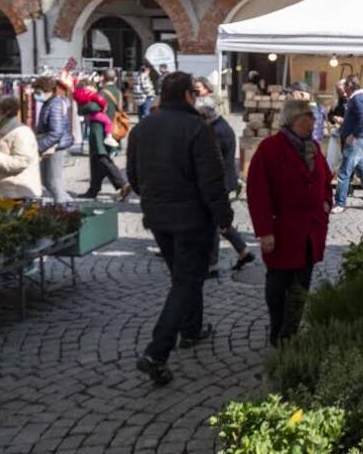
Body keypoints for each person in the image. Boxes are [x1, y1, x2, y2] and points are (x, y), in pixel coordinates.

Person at [127, 72, 234, 385]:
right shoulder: (197, 129)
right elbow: (211, 180)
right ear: (188, 95)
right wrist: (223, 218)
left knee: (184, 277)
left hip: (159, 218)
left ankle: (192, 329)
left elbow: (133, 176)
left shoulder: (143, 127)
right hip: (192, 219)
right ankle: (156, 352)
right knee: (186, 282)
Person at [247, 99, 332, 346]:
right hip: (282, 233)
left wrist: (326, 203)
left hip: (309, 232)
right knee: (278, 286)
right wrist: (264, 231)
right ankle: (277, 330)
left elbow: (325, 180)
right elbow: (258, 193)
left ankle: (290, 332)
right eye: (309, 116)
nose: (314, 121)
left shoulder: (313, 147)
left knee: (302, 285)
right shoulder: (270, 149)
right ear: (294, 119)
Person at [195, 95, 255, 274]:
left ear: (205, 113)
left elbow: (215, 161)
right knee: (219, 221)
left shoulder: (215, 131)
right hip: (223, 181)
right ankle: (243, 251)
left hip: (219, 183)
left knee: (213, 223)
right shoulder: (219, 126)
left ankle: (212, 263)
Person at [332, 76, 363, 213]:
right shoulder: (357, 98)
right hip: (359, 141)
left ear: (351, 85)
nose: (343, 89)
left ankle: (340, 203)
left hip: (356, 142)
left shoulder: (357, 99)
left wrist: (354, 135)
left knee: (344, 172)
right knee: (362, 171)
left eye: (345, 85)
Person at [76, 80, 129, 201]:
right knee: (96, 159)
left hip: (99, 130)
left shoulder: (102, 93)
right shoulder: (116, 91)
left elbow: (92, 107)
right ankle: (93, 189)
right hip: (110, 127)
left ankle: (122, 183)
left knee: (101, 157)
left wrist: (81, 107)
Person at [34, 75, 74, 203]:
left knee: (53, 182)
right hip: (51, 145)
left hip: (55, 147)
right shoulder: (50, 102)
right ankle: (67, 204)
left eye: (38, 92)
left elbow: (56, 132)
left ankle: (66, 207)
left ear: (47, 91)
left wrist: (39, 147)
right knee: (47, 181)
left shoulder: (55, 104)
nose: (36, 95)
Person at [72, 83, 118, 149]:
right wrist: (104, 105)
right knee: (108, 122)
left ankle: (85, 143)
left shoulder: (78, 94)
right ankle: (109, 137)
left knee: (87, 128)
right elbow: (100, 99)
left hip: (88, 115)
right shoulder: (90, 94)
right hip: (95, 113)